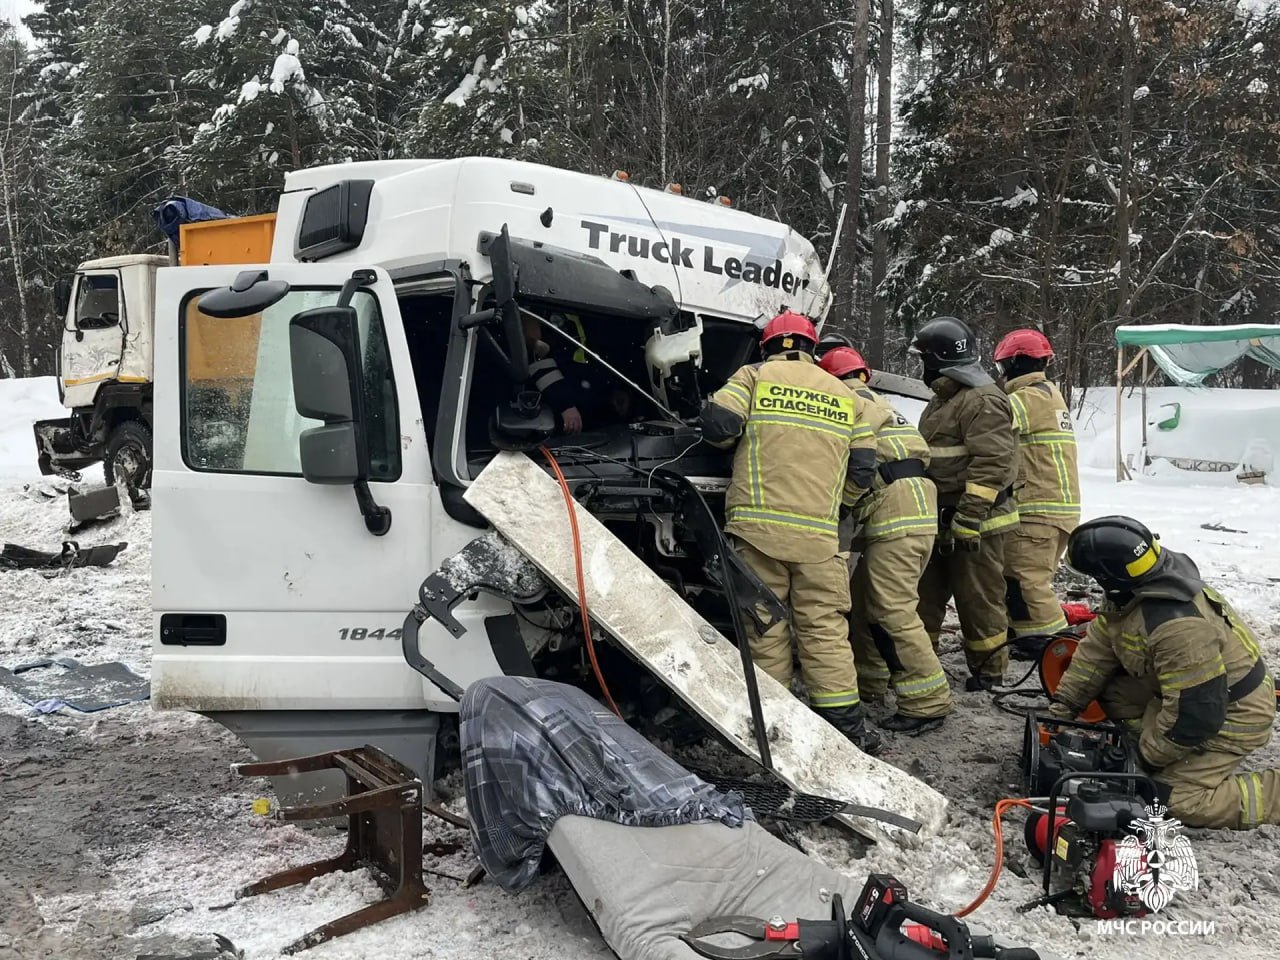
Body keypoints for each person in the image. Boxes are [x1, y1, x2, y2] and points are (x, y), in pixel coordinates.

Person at [701, 311, 882, 753]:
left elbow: (718, 427)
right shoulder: (847, 395)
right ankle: (843, 726)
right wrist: (837, 506)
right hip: (820, 539)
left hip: (758, 532)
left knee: (766, 626)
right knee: (824, 628)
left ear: (767, 345)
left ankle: (775, 723)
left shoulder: (754, 376)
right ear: (811, 347)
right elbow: (863, 469)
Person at [1049, 516, 1278, 829]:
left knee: (1172, 798)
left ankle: (1272, 795)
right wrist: (1063, 708)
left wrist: (1145, 760)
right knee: (1111, 686)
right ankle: (1155, 743)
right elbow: (1098, 649)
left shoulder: (1176, 627)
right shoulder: (1132, 588)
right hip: (1192, 693)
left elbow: (1195, 717)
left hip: (1232, 715)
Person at [819, 346, 952, 734]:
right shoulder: (881, 403)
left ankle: (928, 701)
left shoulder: (843, 401)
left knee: (892, 607)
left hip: (896, 508)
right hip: (916, 504)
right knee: (864, 599)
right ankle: (870, 681)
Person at [911, 316, 1020, 689]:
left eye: (923, 357)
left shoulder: (983, 400)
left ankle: (989, 671)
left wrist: (969, 516)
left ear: (938, 358)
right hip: (942, 518)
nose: (920, 365)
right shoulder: (945, 399)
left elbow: (992, 464)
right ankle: (919, 665)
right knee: (925, 597)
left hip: (977, 523)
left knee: (979, 601)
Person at [993, 329, 1081, 659]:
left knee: (1028, 580)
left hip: (1038, 511)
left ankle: (1055, 646)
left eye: (1002, 366)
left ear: (1013, 363)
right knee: (1019, 577)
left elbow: (989, 422)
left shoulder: (1028, 398)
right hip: (1051, 510)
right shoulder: (1047, 395)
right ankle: (1028, 636)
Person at [524, 314, 583, 434]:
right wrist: (565, 405)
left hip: (592, 402)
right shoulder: (535, 309)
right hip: (557, 410)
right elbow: (536, 361)